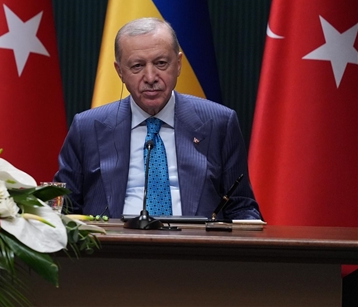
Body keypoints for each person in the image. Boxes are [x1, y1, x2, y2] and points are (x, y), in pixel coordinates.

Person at [54, 18, 261, 220]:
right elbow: (63, 209)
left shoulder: (219, 123)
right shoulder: (87, 128)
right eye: (137, 66)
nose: (151, 77)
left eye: (161, 63)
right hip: (114, 241)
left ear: (178, 64)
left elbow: (241, 208)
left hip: (195, 241)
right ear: (120, 72)